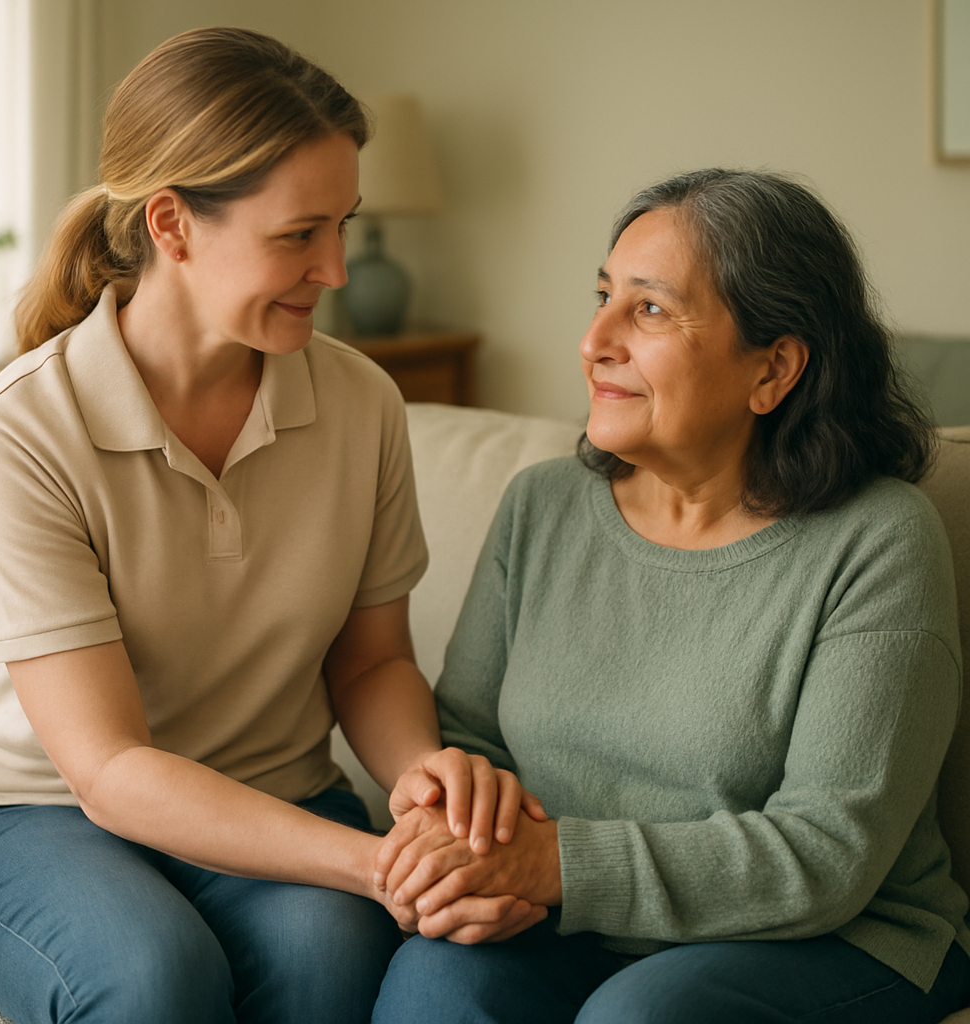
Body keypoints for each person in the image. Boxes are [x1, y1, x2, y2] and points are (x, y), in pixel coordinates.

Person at [0, 27, 540, 1024]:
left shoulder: (360, 402)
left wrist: (417, 777)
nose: (338, 269)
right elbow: (111, 769)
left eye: (343, 225)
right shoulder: (19, 433)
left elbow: (371, 663)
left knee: (335, 960)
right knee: (150, 977)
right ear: (172, 224)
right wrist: (375, 862)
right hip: (45, 813)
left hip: (278, 794)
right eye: (299, 234)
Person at [371, 169, 970, 1023]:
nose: (593, 339)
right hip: (570, 925)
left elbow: (830, 854)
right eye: (604, 296)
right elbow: (468, 736)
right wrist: (451, 829)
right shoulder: (541, 507)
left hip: (834, 935)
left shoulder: (877, 540)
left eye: (648, 310)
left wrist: (557, 866)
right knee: (434, 984)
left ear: (774, 369)